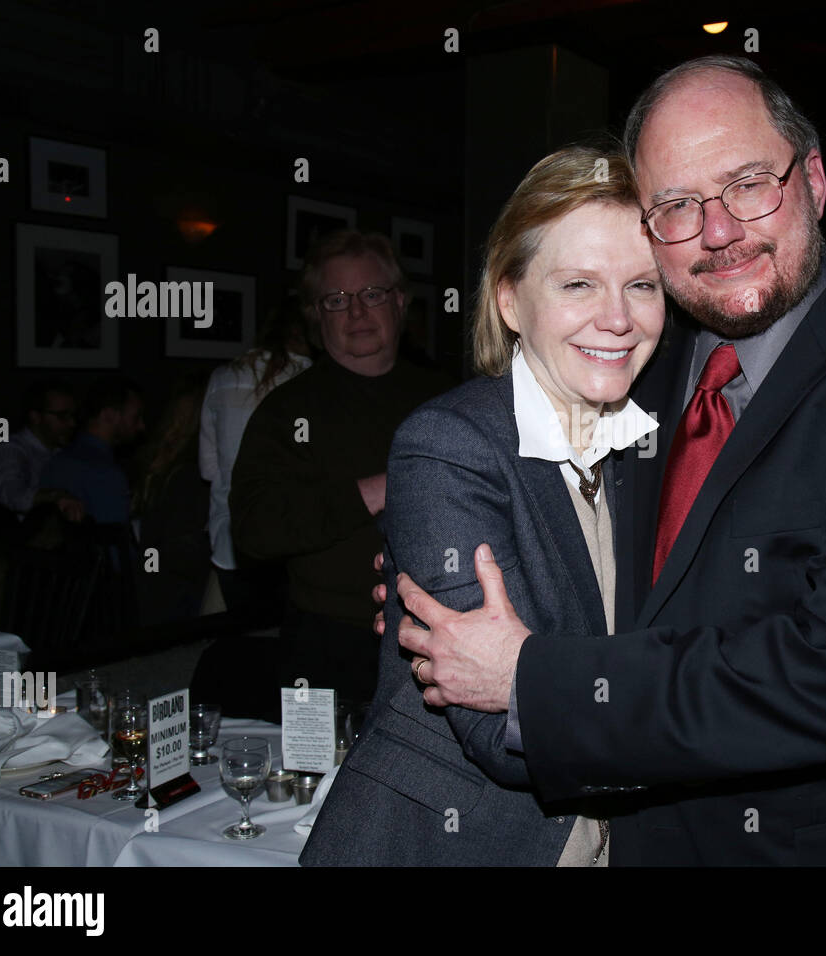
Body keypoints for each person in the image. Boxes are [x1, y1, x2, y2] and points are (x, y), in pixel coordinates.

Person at [390, 56, 826, 865]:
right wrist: (432, 552)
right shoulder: (644, 358)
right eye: (677, 205)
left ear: (814, 181)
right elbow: (559, 520)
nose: (717, 232)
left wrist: (531, 681)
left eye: (749, 184)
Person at [303, 145, 664, 866]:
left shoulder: (651, 453)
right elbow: (501, 734)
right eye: (578, 284)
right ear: (509, 299)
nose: (618, 318)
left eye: (644, 285)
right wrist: (717, 734)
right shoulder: (448, 445)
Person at [229, 230, 452, 714]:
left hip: (441, 641)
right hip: (326, 647)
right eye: (336, 300)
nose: (356, 312)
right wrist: (374, 490)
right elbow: (253, 530)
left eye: (371, 294)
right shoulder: (287, 411)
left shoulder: (450, 399)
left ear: (399, 303)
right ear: (315, 316)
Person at [199, 297, 312, 624]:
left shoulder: (222, 377)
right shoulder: (313, 380)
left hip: (232, 543)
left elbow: (209, 469)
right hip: (296, 547)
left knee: (242, 649)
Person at [134, 375, 212, 626]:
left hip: (151, 585)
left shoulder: (161, 465)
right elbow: (180, 551)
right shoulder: (188, 474)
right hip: (173, 596)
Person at [40, 376, 145, 526]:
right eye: (136, 417)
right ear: (109, 414)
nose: (141, 426)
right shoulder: (106, 473)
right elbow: (115, 544)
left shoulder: (54, 462)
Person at [0, 379, 84, 522]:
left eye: (74, 416)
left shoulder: (62, 453)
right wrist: (55, 496)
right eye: (62, 416)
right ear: (35, 417)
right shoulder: (10, 449)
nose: (72, 423)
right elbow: (12, 495)